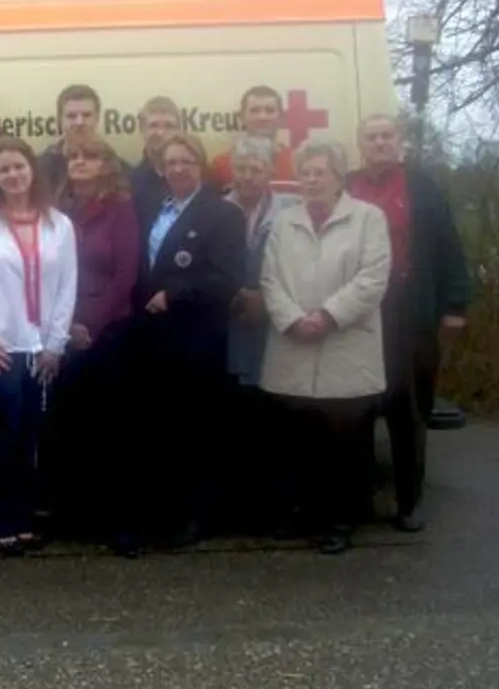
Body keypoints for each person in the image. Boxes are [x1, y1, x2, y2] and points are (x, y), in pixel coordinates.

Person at [259, 138, 391, 555]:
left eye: (320, 173)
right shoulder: (285, 221)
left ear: (338, 177)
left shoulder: (369, 218)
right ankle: (303, 514)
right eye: (305, 173)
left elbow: (373, 278)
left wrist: (329, 315)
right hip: (293, 342)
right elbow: (269, 278)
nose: (311, 180)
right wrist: (293, 318)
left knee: (344, 442)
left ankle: (340, 521)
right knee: (300, 439)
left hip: (346, 343)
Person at [346, 114, 471, 533]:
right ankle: (359, 497)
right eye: (371, 137)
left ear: (400, 141)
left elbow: (448, 246)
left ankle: (409, 501)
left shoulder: (423, 188)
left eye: (387, 136)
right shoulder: (347, 186)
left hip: (411, 310)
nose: (380, 143)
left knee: (408, 409)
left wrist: (455, 304)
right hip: (358, 311)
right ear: (360, 144)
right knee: (356, 407)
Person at [0, 138, 78, 555]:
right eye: (4, 169)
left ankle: (24, 516)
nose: (13, 175)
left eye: (19, 167)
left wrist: (56, 343)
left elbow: (66, 288)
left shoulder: (59, 224)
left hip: (41, 347)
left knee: (31, 434)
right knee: (6, 430)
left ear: (32, 171)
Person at [122, 131, 244, 551]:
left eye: (186, 162)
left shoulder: (222, 214)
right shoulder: (158, 209)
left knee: (197, 428)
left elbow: (227, 279)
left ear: (201, 165)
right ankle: (163, 511)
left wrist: (175, 294)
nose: (177, 169)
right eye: (170, 163)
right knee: (163, 428)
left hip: (197, 336)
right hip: (154, 338)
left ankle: (198, 516)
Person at [48, 136, 138, 543]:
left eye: (90, 156)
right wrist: (66, 324)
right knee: (68, 426)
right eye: (74, 157)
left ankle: (117, 521)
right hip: (62, 329)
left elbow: (126, 275)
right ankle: (72, 515)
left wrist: (92, 323)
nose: (80, 162)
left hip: (108, 331)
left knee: (111, 428)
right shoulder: (55, 208)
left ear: (107, 164)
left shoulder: (120, 208)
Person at [224, 133, 303, 531]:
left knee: (276, 421)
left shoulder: (290, 211)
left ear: (270, 171)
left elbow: (300, 265)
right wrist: (236, 293)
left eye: (256, 169)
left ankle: (277, 509)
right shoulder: (218, 209)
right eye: (241, 168)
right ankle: (238, 508)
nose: (248, 176)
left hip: (275, 328)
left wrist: (266, 300)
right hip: (231, 327)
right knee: (236, 421)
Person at [209, 86, 294, 190]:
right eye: (254, 111)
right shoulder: (221, 165)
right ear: (242, 117)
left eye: (270, 111)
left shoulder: (296, 162)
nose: (262, 117)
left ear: (282, 117)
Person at [37, 84, 102, 192]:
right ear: (60, 120)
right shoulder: (39, 170)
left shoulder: (118, 170)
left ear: (97, 118)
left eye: (86, 115)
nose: (79, 122)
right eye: (71, 116)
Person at [128, 96, 183, 198]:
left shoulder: (198, 179)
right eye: (153, 125)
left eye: (169, 126)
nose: (161, 133)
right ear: (142, 130)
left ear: (179, 131)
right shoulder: (129, 184)